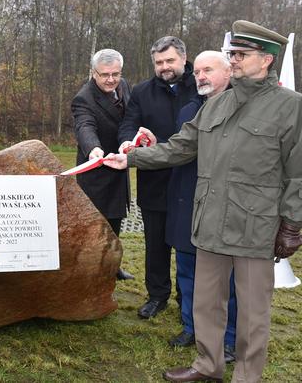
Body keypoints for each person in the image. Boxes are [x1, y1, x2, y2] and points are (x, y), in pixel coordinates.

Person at [104, 20, 302, 382]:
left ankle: (246, 376)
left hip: (253, 227)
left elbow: (298, 172)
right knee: (206, 303)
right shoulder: (215, 104)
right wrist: (131, 159)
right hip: (208, 223)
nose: (235, 60)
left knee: (253, 312)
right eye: (233, 54)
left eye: (241, 55)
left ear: (267, 60)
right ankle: (208, 365)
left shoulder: (290, 107)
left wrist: (292, 224)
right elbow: (180, 147)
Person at [162, 51, 237, 363]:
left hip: (225, 209)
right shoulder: (190, 109)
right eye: (198, 72)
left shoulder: (243, 109)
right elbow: (175, 149)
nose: (201, 76)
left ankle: (230, 338)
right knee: (188, 272)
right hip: (185, 202)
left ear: (229, 73)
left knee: (229, 281)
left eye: (209, 70)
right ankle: (192, 327)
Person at [117, 36, 196, 319]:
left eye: (170, 61)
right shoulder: (142, 91)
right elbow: (129, 124)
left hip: (191, 180)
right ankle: (157, 295)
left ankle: (187, 297)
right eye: (159, 62)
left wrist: (159, 143)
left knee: (190, 246)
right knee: (156, 244)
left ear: (184, 59)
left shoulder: (201, 87)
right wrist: (128, 143)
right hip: (155, 181)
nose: (164, 67)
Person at [71, 48, 133, 280]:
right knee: (97, 224)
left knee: (116, 222)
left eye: (115, 74)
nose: (111, 80)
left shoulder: (124, 85)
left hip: (120, 166)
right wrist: (94, 150)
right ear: (93, 73)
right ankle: (92, 271)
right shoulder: (83, 98)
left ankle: (112, 265)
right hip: (96, 173)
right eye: (105, 74)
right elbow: (84, 126)